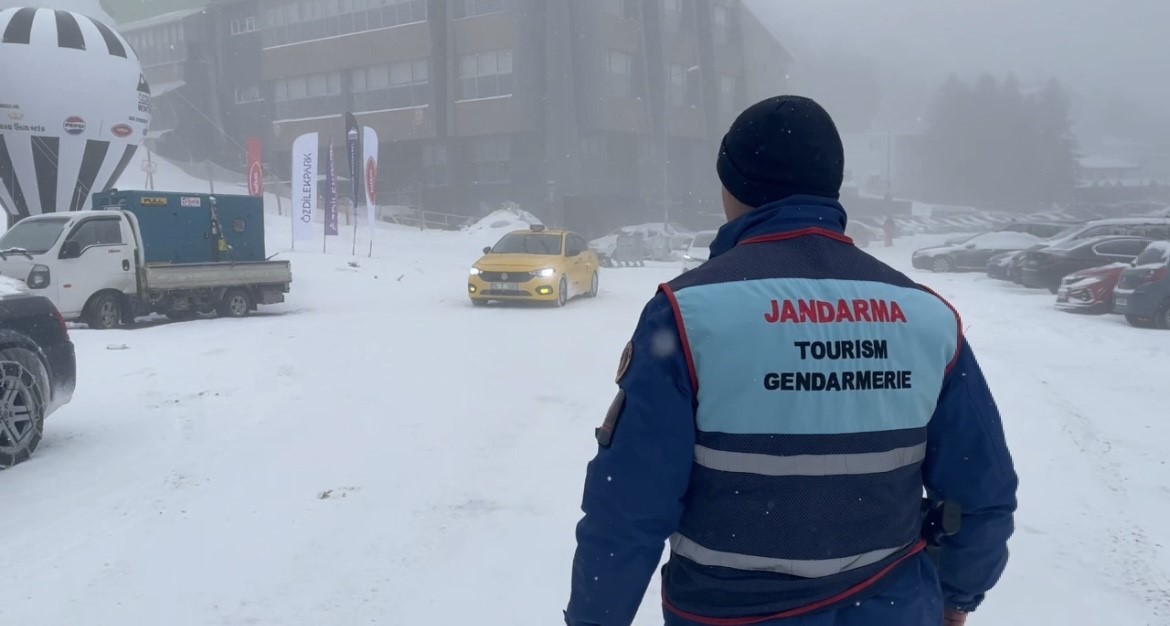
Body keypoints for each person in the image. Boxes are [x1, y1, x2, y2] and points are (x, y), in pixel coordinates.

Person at [564, 96, 1018, 626]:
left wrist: (596, 616)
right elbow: (981, 488)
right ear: (832, 185)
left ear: (734, 189)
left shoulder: (691, 314)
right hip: (892, 606)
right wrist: (958, 597)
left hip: (730, 614)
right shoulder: (926, 316)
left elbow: (628, 508)